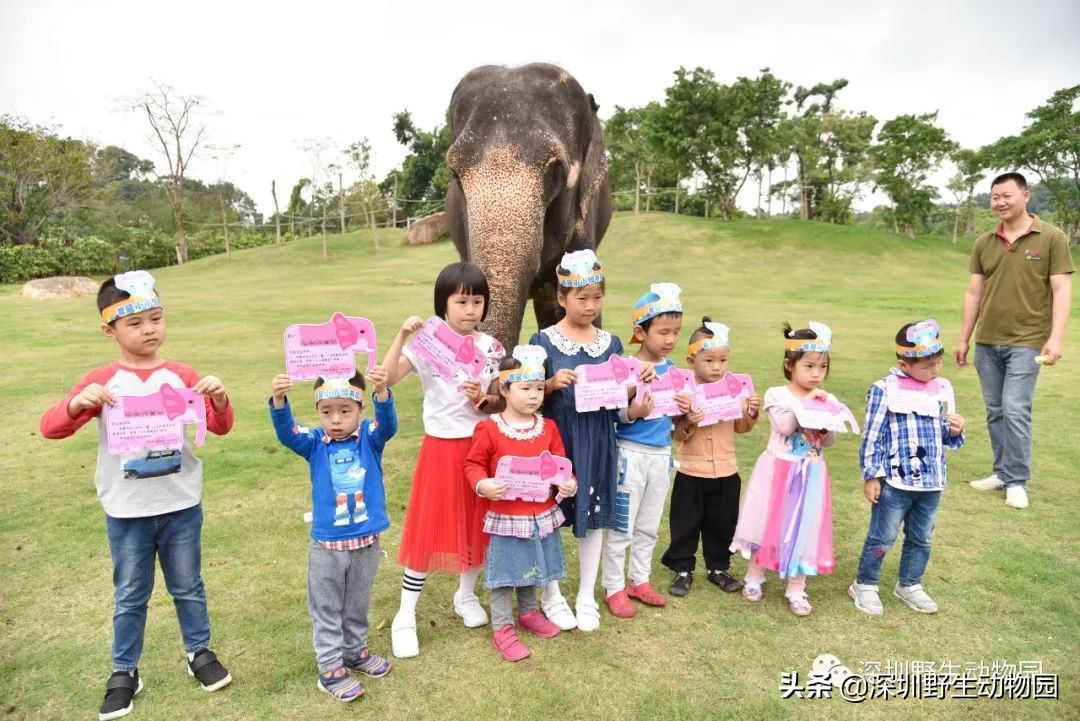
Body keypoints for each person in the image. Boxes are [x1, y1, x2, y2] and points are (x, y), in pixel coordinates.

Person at [39, 271, 234, 721]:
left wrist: (220, 399)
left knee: (188, 586)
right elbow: (52, 428)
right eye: (136, 323)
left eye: (157, 318)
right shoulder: (102, 382)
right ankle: (125, 670)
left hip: (181, 503)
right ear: (110, 329)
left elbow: (220, 426)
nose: (149, 329)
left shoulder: (182, 375)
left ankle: (198, 652)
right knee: (130, 593)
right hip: (127, 510)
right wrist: (76, 403)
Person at [379, 262, 505, 658]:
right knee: (428, 528)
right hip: (440, 446)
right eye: (461, 301)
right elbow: (386, 378)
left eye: (477, 301)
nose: (470, 309)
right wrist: (402, 335)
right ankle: (405, 613)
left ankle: (465, 596)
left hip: (480, 446)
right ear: (444, 303)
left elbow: (500, 400)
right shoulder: (428, 341)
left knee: (476, 523)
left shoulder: (492, 348)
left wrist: (480, 398)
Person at [530, 249, 652, 632]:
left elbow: (617, 404)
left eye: (597, 297)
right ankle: (552, 594)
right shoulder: (542, 341)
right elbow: (527, 394)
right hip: (558, 442)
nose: (590, 305)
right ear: (562, 298)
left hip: (599, 439)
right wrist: (550, 384)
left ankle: (585, 594)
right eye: (581, 298)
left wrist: (634, 395)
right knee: (548, 518)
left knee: (595, 516)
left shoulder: (611, 344)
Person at [268, 370, 396, 700]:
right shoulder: (314, 442)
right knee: (326, 608)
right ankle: (329, 668)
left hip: (366, 541)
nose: (335, 419)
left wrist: (381, 390)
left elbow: (389, 425)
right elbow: (287, 433)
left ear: (360, 409)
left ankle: (354, 652)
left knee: (357, 602)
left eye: (345, 410)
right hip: (328, 545)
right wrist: (280, 401)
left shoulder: (370, 437)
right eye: (327, 412)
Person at [956, 172, 1074, 510]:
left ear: (1025, 195)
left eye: (1006, 195)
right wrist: (964, 338)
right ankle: (1002, 472)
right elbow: (974, 292)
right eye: (994, 197)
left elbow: (1062, 289)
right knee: (995, 410)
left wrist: (1056, 337)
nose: (1000, 202)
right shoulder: (984, 242)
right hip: (987, 341)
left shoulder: (1052, 238)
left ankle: (1017, 481)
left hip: (1028, 340)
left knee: (1016, 409)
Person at [464, 346, 577, 661]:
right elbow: (473, 465)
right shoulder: (489, 428)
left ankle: (528, 613)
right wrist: (483, 484)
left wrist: (566, 483)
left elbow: (559, 464)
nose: (534, 395)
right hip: (506, 513)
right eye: (525, 388)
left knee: (533, 561)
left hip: (540, 512)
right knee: (505, 571)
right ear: (504, 388)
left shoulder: (548, 427)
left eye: (539, 388)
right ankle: (502, 627)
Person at [850, 320, 965, 616]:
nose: (935, 370)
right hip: (895, 482)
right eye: (928, 366)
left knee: (922, 537)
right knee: (883, 536)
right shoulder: (884, 389)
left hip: (931, 482)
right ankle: (865, 583)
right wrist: (872, 475)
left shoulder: (942, 388)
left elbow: (944, 436)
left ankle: (910, 583)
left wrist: (954, 430)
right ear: (904, 363)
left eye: (938, 363)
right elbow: (872, 434)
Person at [730, 322, 839, 616]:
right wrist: (809, 407)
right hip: (779, 471)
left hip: (811, 472)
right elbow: (786, 426)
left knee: (805, 528)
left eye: (823, 367)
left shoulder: (825, 398)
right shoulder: (778, 395)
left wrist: (827, 416)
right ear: (789, 365)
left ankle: (797, 588)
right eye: (809, 366)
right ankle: (754, 576)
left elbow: (827, 440)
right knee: (767, 523)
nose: (817, 373)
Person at [601, 283, 688, 618]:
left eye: (676, 332)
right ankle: (613, 585)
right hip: (630, 455)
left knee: (649, 524)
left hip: (661, 456)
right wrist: (632, 411)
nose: (670, 339)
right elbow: (613, 413)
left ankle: (640, 579)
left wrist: (685, 410)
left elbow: (679, 422)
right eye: (663, 331)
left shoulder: (676, 371)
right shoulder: (624, 366)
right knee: (622, 525)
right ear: (640, 331)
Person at [661, 319, 761, 597]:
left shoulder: (735, 387)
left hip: (726, 470)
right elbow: (676, 433)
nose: (717, 367)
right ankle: (682, 567)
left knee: (723, 522)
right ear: (692, 360)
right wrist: (689, 419)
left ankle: (718, 567)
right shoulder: (682, 393)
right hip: (692, 471)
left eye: (723, 360)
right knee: (685, 522)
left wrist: (750, 411)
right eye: (709, 360)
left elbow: (741, 428)